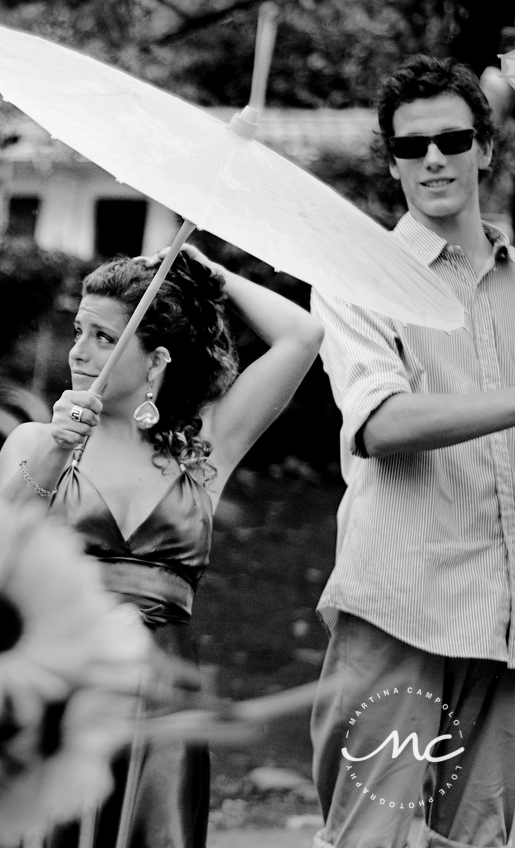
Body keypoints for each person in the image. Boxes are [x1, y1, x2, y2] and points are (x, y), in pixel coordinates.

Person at [0, 248, 323, 848]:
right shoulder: (32, 440)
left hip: (163, 705)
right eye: (78, 331)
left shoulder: (203, 454)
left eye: (103, 337)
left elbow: (302, 335)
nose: (79, 350)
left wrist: (208, 272)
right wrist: (56, 449)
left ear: (157, 361)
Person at [309, 56, 515, 848]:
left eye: (453, 138)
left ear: (484, 149)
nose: (433, 157)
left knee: (480, 845)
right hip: (402, 612)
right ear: (393, 162)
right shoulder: (359, 278)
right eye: (412, 145)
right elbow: (380, 422)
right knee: (374, 842)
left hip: (502, 624)